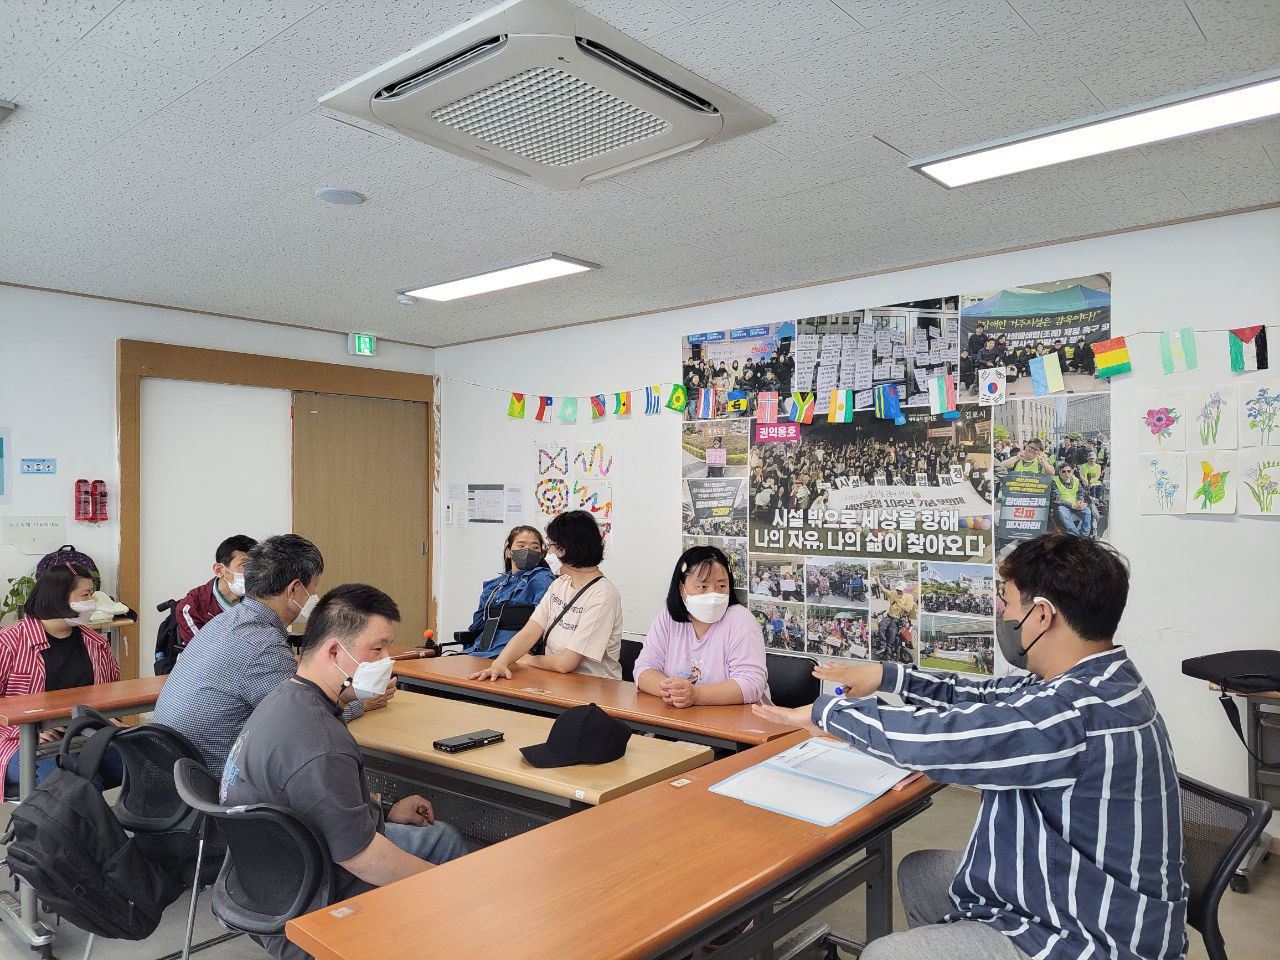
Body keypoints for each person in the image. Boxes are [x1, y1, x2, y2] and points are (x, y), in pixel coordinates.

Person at [752, 533, 1186, 960]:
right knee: (921, 873)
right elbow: (988, 699)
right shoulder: (1098, 680)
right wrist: (889, 677)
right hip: (1073, 886)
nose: (1001, 611)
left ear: (1041, 616)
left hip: (1085, 935)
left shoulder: (1074, 713)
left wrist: (823, 714)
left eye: (1009, 602)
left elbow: (939, 742)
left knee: (886, 955)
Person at [221, 584, 467, 960]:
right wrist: (441, 885)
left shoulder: (281, 700)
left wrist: (382, 811)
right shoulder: (322, 742)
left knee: (437, 837)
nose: (387, 661)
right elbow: (362, 857)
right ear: (334, 650)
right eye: (378, 649)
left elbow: (314, 801)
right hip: (313, 896)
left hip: (265, 882)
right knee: (446, 849)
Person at [154, 534, 394, 776]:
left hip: (173, 777)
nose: (315, 598)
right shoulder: (263, 645)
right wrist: (359, 702)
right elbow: (305, 720)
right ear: (294, 590)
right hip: (211, 787)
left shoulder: (225, 621)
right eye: (314, 588)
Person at [0, 563, 122, 792]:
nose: (92, 603)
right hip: (18, 742)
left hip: (85, 736)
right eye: (86, 595)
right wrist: (28, 730)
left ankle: (143, 827)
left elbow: (110, 693)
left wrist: (110, 719)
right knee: (78, 784)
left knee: (147, 764)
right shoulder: (9, 643)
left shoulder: (96, 644)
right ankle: (83, 827)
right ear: (58, 598)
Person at [469, 510, 622, 681]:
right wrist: (500, 663)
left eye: (551, 546)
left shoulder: (603, 595)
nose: (547, 554)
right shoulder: (560, 583)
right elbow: (530, 631)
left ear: (565, 550)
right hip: (553, 680)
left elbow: (565, 663)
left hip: (591, 686)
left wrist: (530, 660)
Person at [633, 546, 769, 708]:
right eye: (703, 587)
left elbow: (751, 684)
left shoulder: (742, 621)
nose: (713, 595)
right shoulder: (667, 619)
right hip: (683, 719)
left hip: (737, 722)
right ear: (681, 588)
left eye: (721, 586)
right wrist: (672, 691)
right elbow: (643, 669)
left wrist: (695, 695)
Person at [461, 526, 555, 658]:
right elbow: (477, 625)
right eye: (521, 546)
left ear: (541, 554)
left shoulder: (541, 579)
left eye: (534, 547)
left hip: (514, 653)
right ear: (509, 552)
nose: (528, 551)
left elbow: (545, 623)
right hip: (481, 649)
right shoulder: (493, 587)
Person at [175, 534, 257, 647]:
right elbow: (202, 654)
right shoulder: (193, 606)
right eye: (244, 566)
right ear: (219, 570)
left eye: (256, 566)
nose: (252, 572)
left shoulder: (260, 598)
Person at [1052, 462, 1092, 536]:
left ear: (1072, 471)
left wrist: (1080, 501)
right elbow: (1056, 498)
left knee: (1087, 512)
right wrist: (1072, 505)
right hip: (1063, 505)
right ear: (1059, 472)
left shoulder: (1076, 480)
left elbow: (1081, 492)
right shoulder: (1054, 481)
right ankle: (1075, 536)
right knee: (1062, 513)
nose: (1066, 473)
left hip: (1076, 504)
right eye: (1063, 471)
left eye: (1069, 471)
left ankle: (1084, 536)